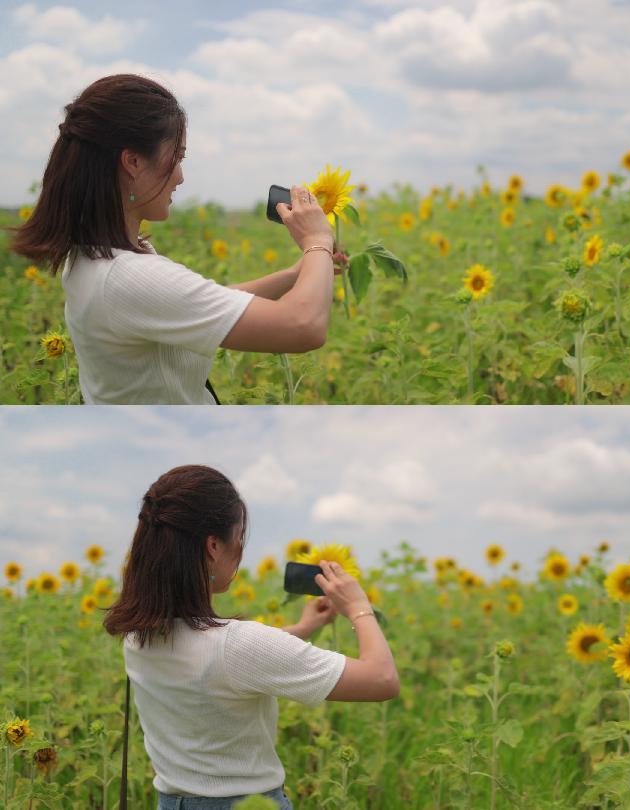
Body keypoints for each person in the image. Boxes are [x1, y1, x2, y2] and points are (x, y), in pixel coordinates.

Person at [9, 74, 346, 404]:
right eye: (177, 156)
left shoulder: (93, 256)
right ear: (134, 161)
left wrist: (295, 273)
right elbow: (303, 327)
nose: (180, 176)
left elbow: (189, 304)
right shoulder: (128, 277)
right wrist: (317, 238)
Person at [102, 465, 400, 810]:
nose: (241, 548)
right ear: (213, 545)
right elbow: (383, 680)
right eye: (239, 535)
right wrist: (359, 607)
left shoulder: (138, 635)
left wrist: (302, 630)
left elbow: (216, 660)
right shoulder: (238, 646)